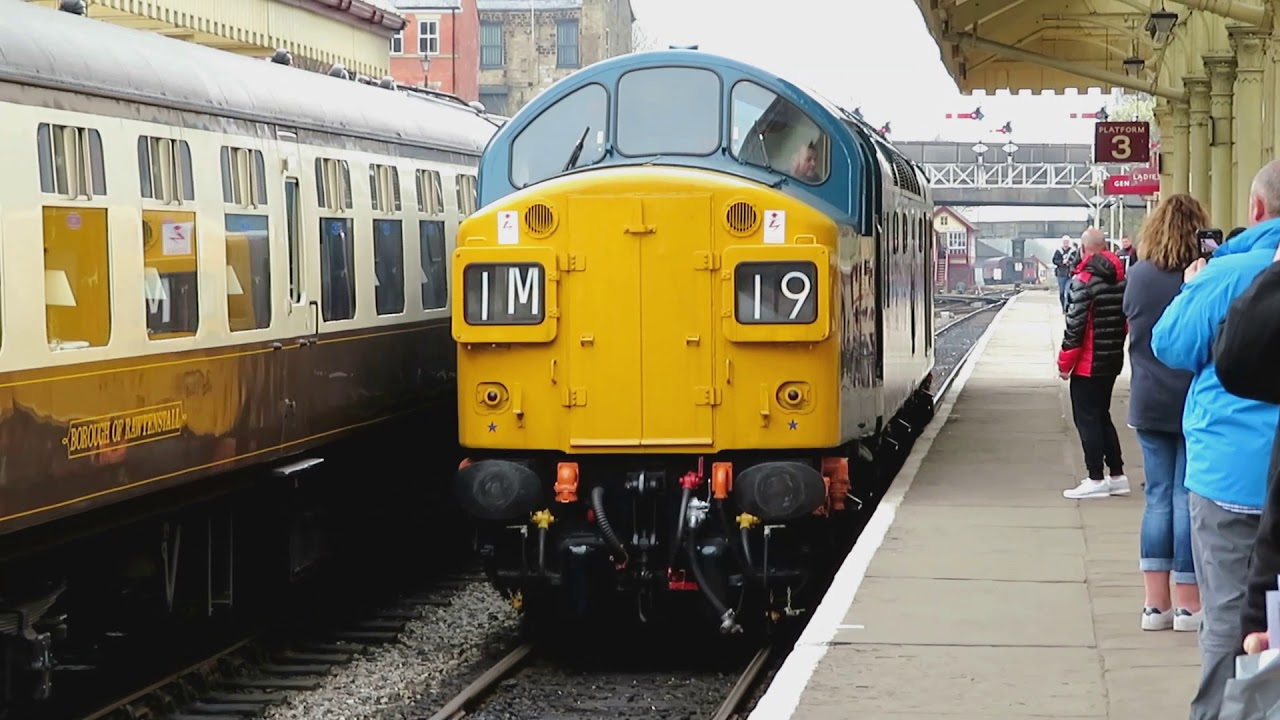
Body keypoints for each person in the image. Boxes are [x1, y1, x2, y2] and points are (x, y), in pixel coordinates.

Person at [1150, 159, 1280, 720]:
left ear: (1255, 210)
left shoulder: (1230, 273)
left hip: (1230, 480)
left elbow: (1170, 344)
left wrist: (1195, 288)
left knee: (1229, 621)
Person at [1122, 194, 1206, 632]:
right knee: (1185, 499)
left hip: (1149, 401)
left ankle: (1155, 606)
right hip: (1192, 401)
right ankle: (1189, 605)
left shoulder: (1138, 276)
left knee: (1156, 498)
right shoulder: (1203, 277)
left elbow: (1132, 325)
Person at [1059, 228, 1129, 500]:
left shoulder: (1083, 281)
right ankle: (1117, 474)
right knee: (1102, 415)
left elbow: (1075, 328)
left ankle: (1095, 478)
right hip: (1112, 360)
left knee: (1087, 419)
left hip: (1088, 363)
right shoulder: (1121, 279)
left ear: (1083, 248)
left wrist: (1064, 363)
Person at [1052, 235, 1076, 311]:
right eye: (1064, 242)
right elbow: (1054, 261)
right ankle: (1063, 307)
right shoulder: (1058, 251)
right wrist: (1062, 262)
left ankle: (1068, 308)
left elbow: (1076, 260)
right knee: (1062, 292)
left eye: (1067, 242)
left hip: (1070, 274)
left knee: (1068, 292)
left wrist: (1070, 262)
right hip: (1061, 274)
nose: (1066, 243)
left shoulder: (1073, 251)